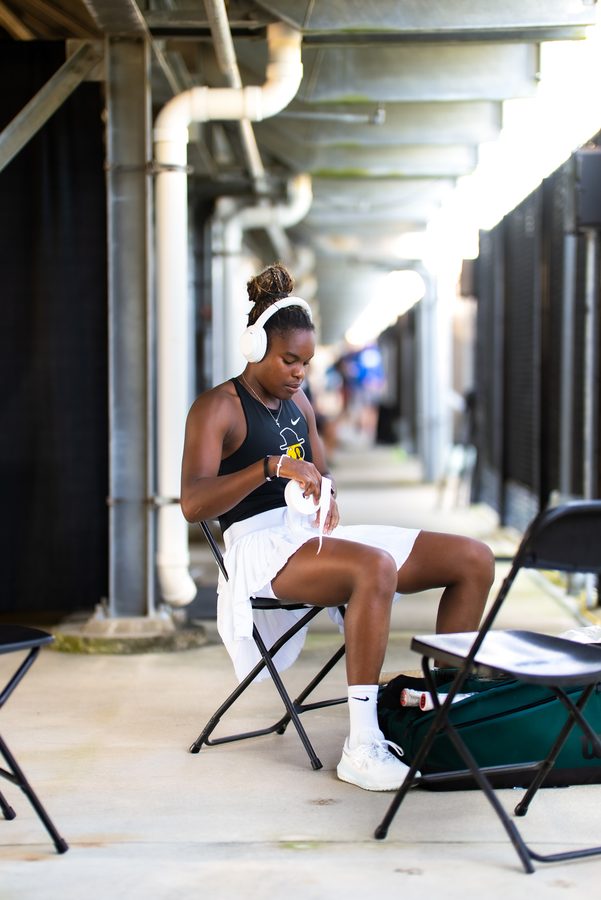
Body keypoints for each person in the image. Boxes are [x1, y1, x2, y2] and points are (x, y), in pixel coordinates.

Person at [180, 263, 495, 792]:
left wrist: (325, 494)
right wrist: (268, 468)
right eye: (288, 359)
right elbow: (192, 503)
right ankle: (362, 745)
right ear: (254, 346)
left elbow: (321, 471)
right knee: (374, 567)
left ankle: (443, 708)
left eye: (305, 361)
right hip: (258, 547)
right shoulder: (219, 408)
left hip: (306, 536)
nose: (300, 372)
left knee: (472, 557)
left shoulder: (300, 401)